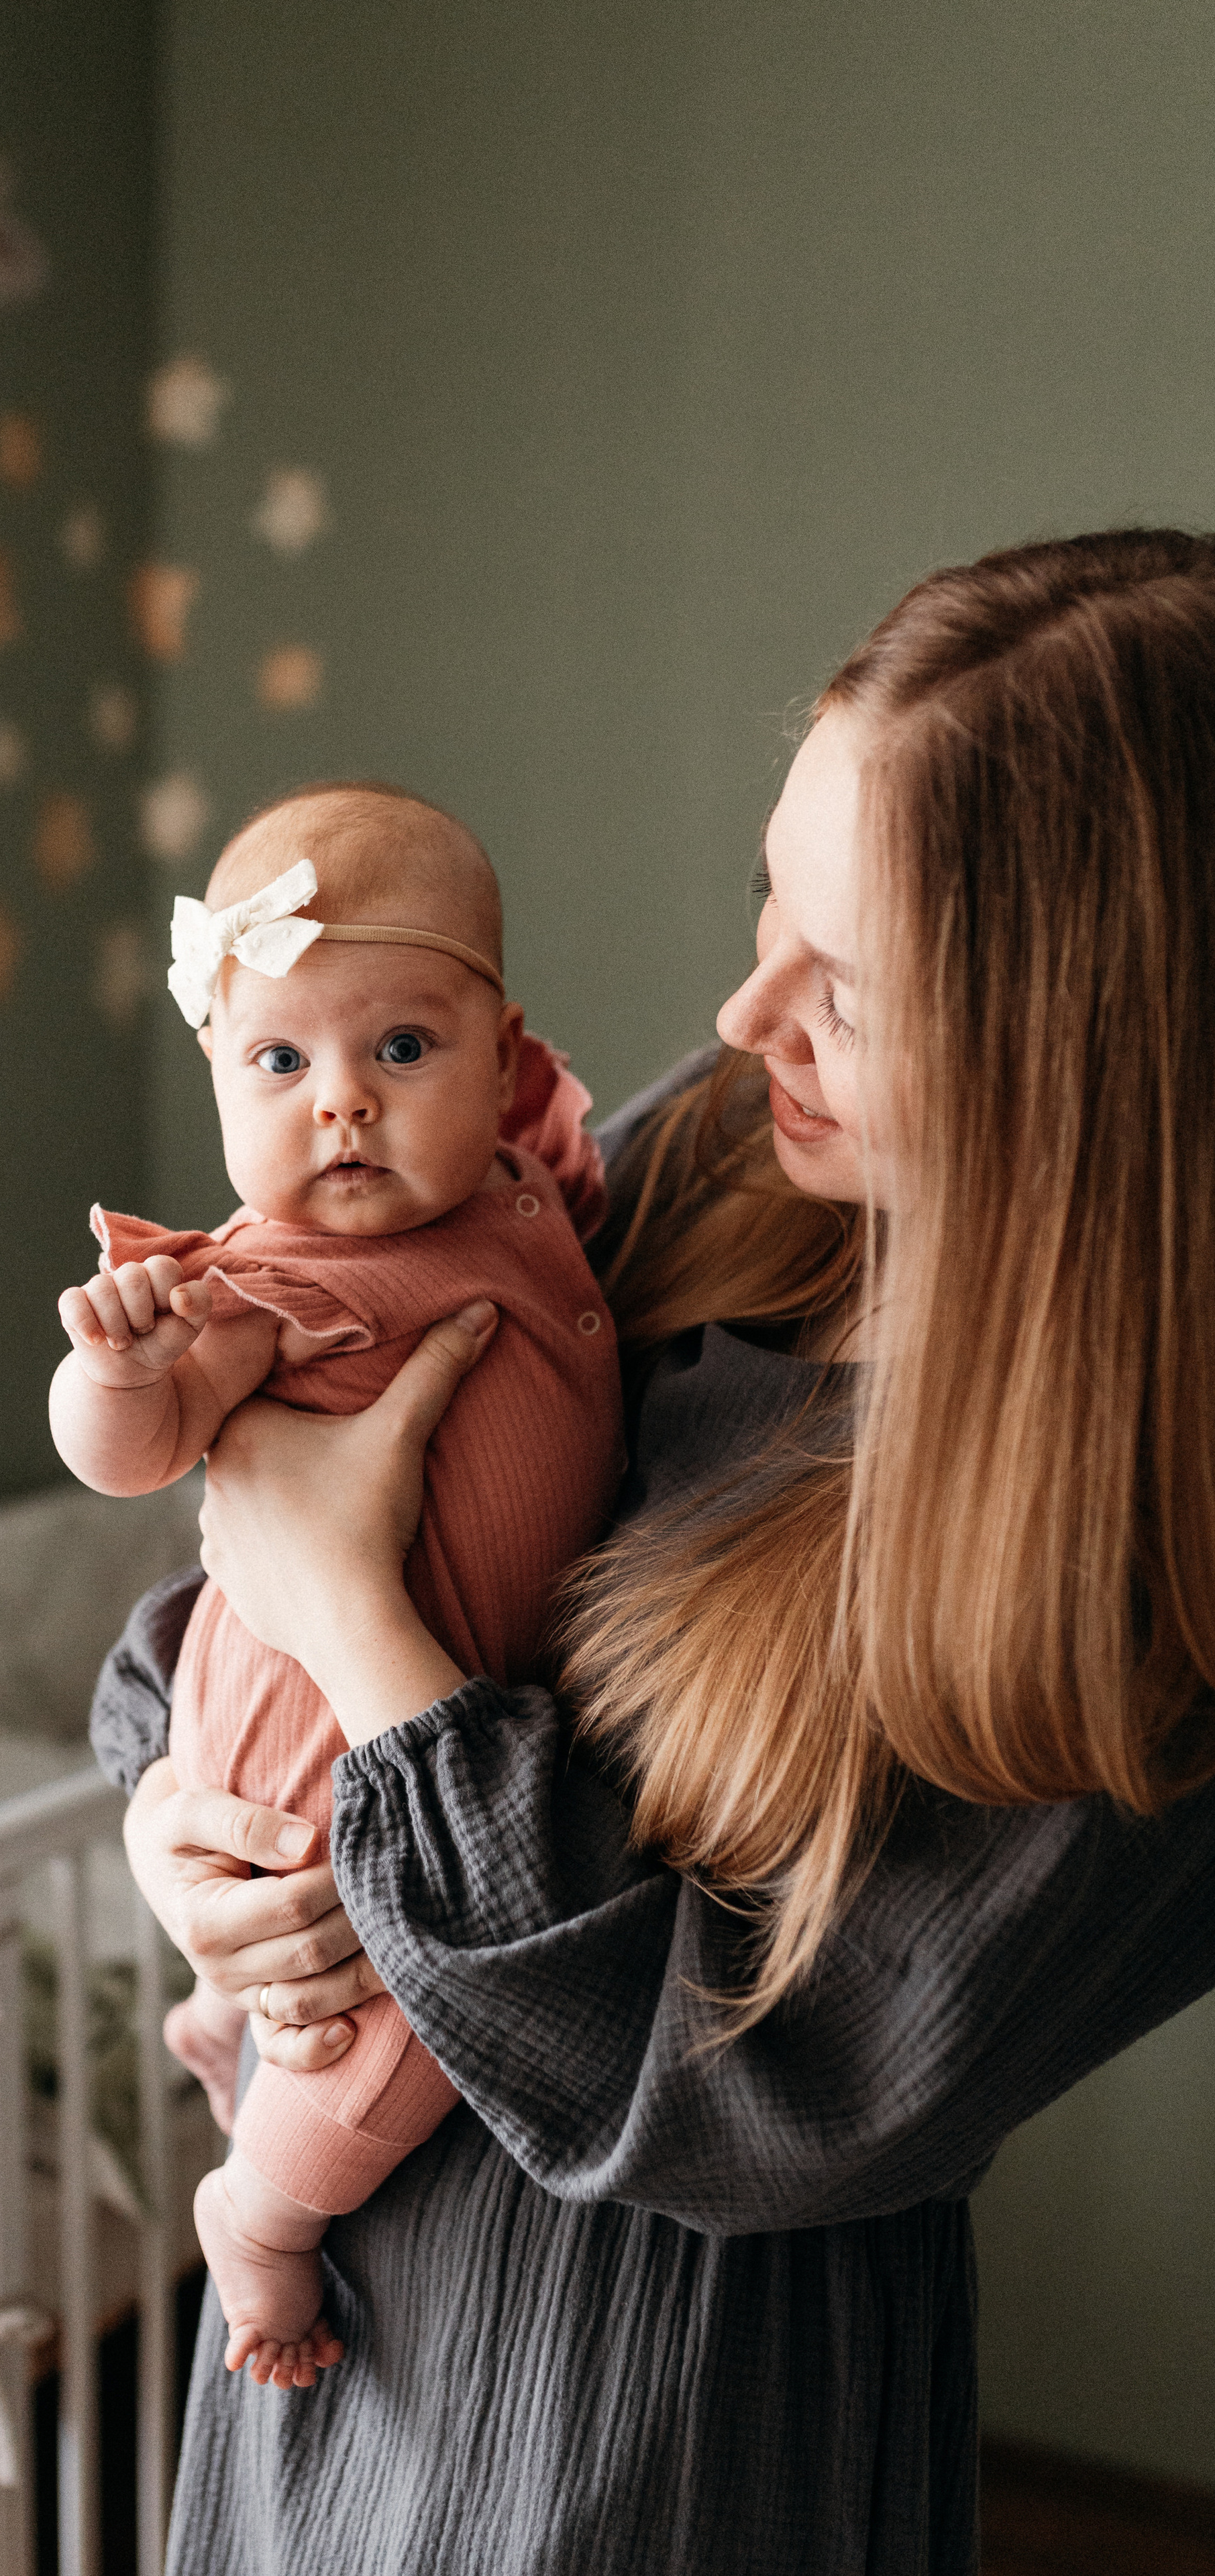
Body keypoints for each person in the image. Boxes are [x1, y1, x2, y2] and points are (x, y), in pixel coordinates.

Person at [95, 530, 1215, 2575]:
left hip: (641, 2430)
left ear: (1092, 1058)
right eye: (765, 909)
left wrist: (356, 1634)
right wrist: (182, 1804)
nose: (744, 1007)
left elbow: (770, 2094)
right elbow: (342, 1477)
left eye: (849, 992)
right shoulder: (730, 1149)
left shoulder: (1153, 1560)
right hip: (339, 2329)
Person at [52, 782, 621, 2385]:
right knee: (416, 2023)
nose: (341, 1109)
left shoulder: (527, 1189)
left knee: (379, 1986)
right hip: (314, 1758)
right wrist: (116, 1370)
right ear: (222, 1077)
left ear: (505, 1064)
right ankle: (261, 2214)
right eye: (279, 1063)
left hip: (414, 1704)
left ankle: (221, 2039)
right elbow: (139, 1443)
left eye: (400, 1051)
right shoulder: (271, 1281)